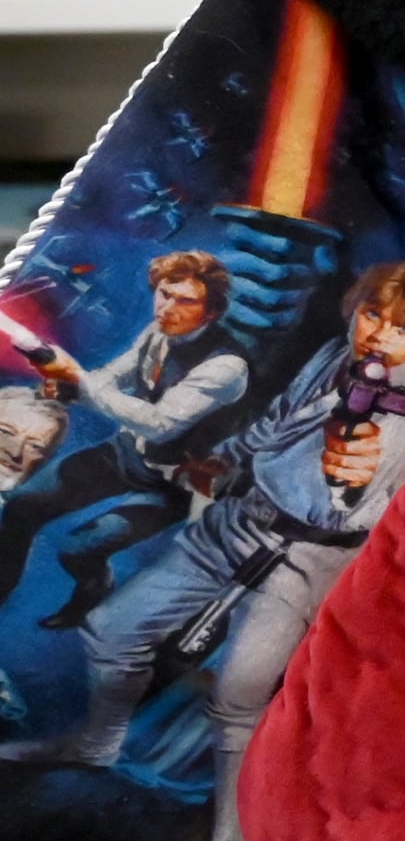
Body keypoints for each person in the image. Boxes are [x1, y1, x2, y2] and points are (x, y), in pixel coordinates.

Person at [18, 261, 405, 841]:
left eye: (402, 330)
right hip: (238, 518)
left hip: (308, 558)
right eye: (373, 315)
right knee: (111, 629)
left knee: (238, 700)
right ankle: (97, 741)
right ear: (354, 308)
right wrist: (232, 460)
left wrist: (348, 471)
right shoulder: (338, 355)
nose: (380, 336)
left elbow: (359, 494)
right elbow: (278, 422)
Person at [0, 251, 251, 625]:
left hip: (172, 484)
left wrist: (80, 383)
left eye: (186, 301)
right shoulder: (157, 333)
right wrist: (72, 386)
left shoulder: (226, 367)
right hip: (124, 454)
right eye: (165, 294)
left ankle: (92, 591)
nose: (168, 308)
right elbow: (113, 378)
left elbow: (160, 423)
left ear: (212, 312)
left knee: (77, 550)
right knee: (22, 507)